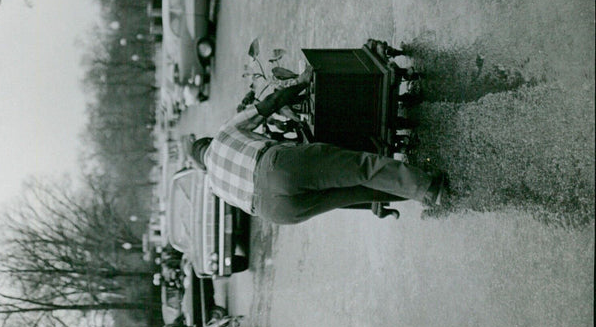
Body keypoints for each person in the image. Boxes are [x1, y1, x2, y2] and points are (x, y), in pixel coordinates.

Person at [189, 66, 447, 225]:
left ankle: (420, 195)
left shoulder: (214, 186)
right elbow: (270, 104)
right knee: (359, 168)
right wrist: (302, 81)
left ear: (203, 167)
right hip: (275, 170)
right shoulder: (222, 136)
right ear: (208, 142)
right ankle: (428, 187)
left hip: (276, 212)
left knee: (356, 192)